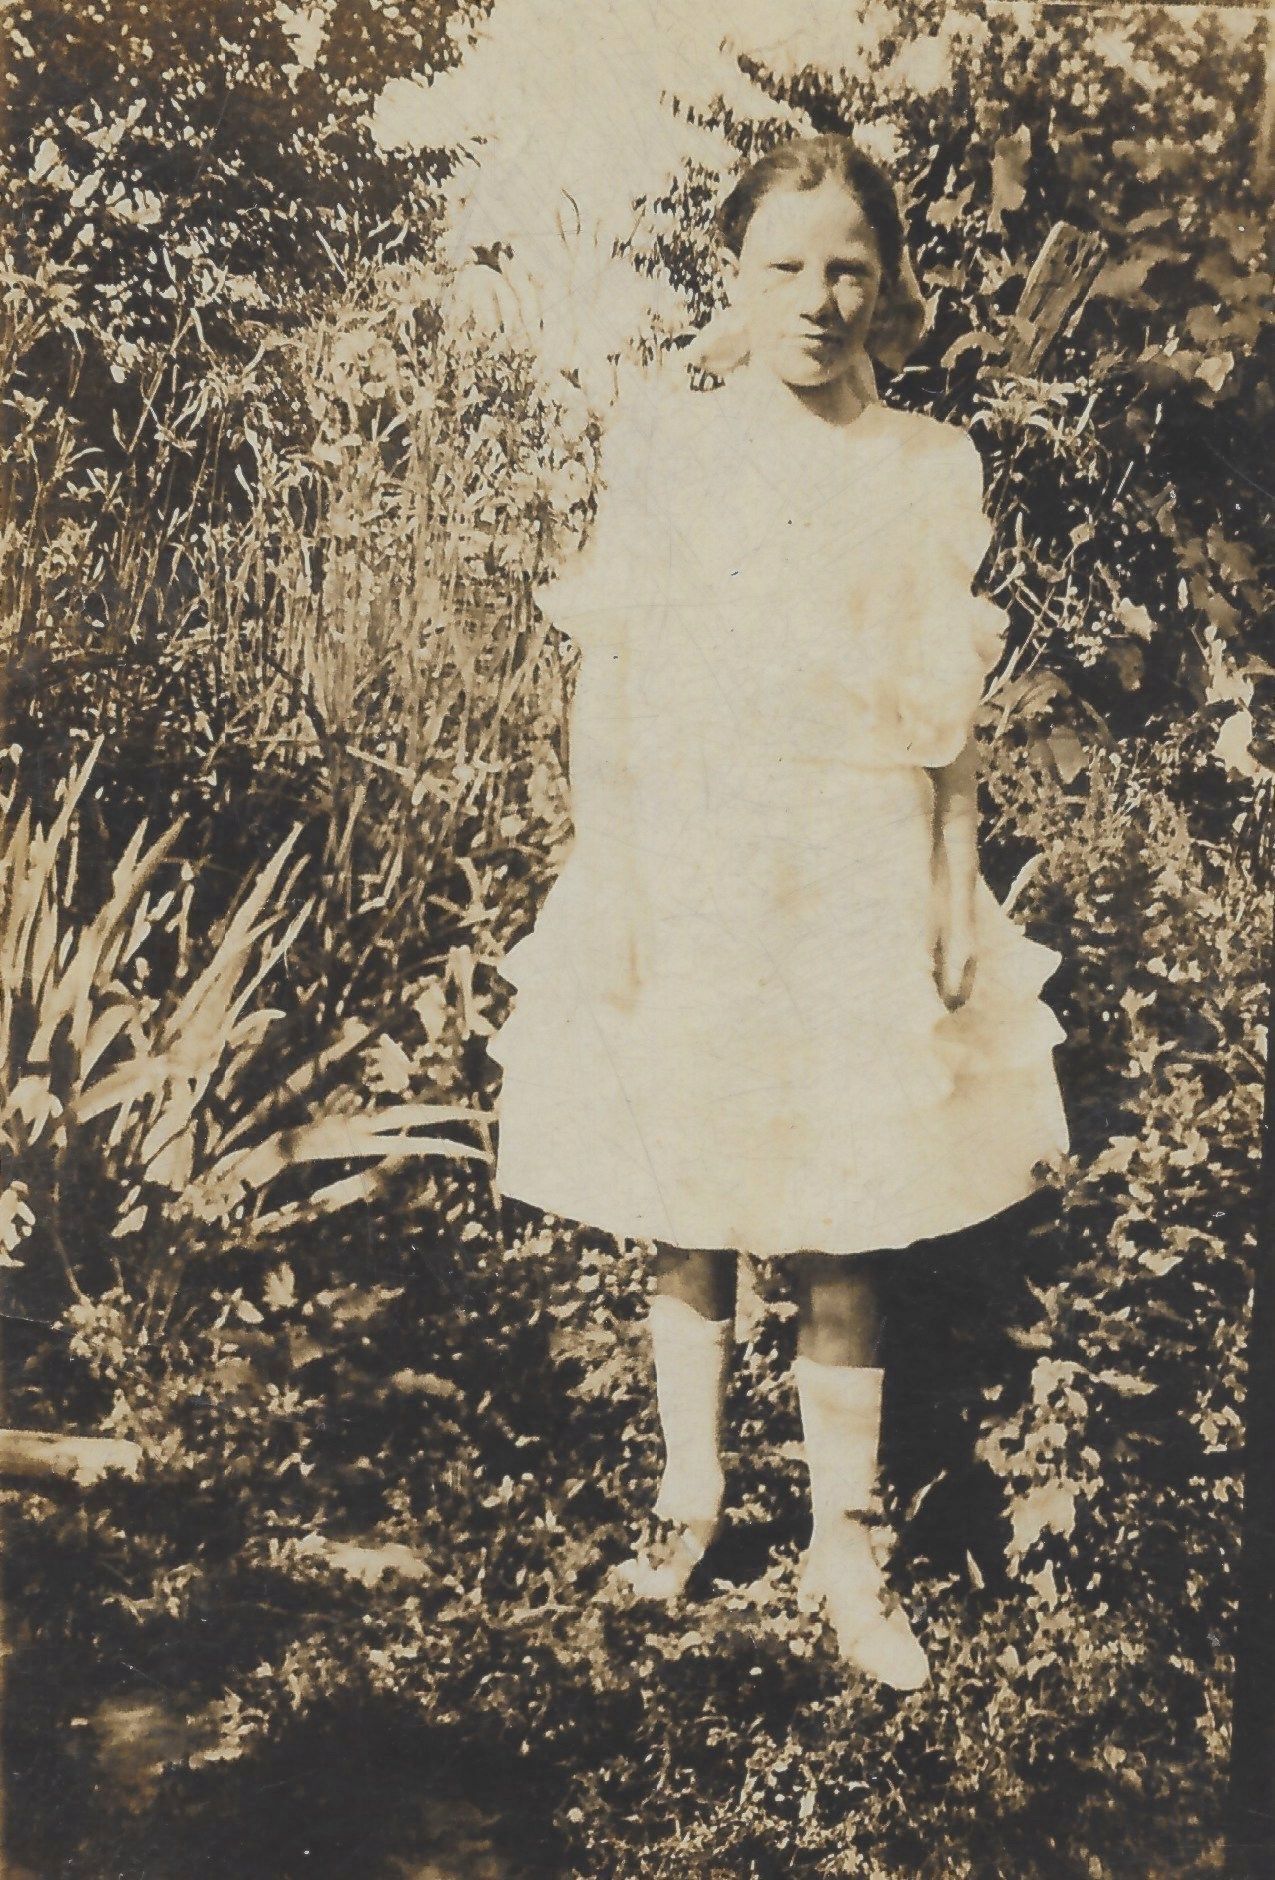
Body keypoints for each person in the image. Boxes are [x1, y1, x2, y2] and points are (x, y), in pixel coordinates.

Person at [486, 132, 1071, 1692]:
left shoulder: (928, 462)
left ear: (887, 285)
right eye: (785, 268)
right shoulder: (670, 443)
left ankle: (847, 1545)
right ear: (735, 277)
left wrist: (950, 881)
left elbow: (944, 713)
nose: (818, 300)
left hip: (861, 849)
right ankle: (687, 1506)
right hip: (697, 845)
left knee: (845, 1206)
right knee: (691, 1191)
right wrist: (613, 872)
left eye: (848, 271)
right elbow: (611, 686)